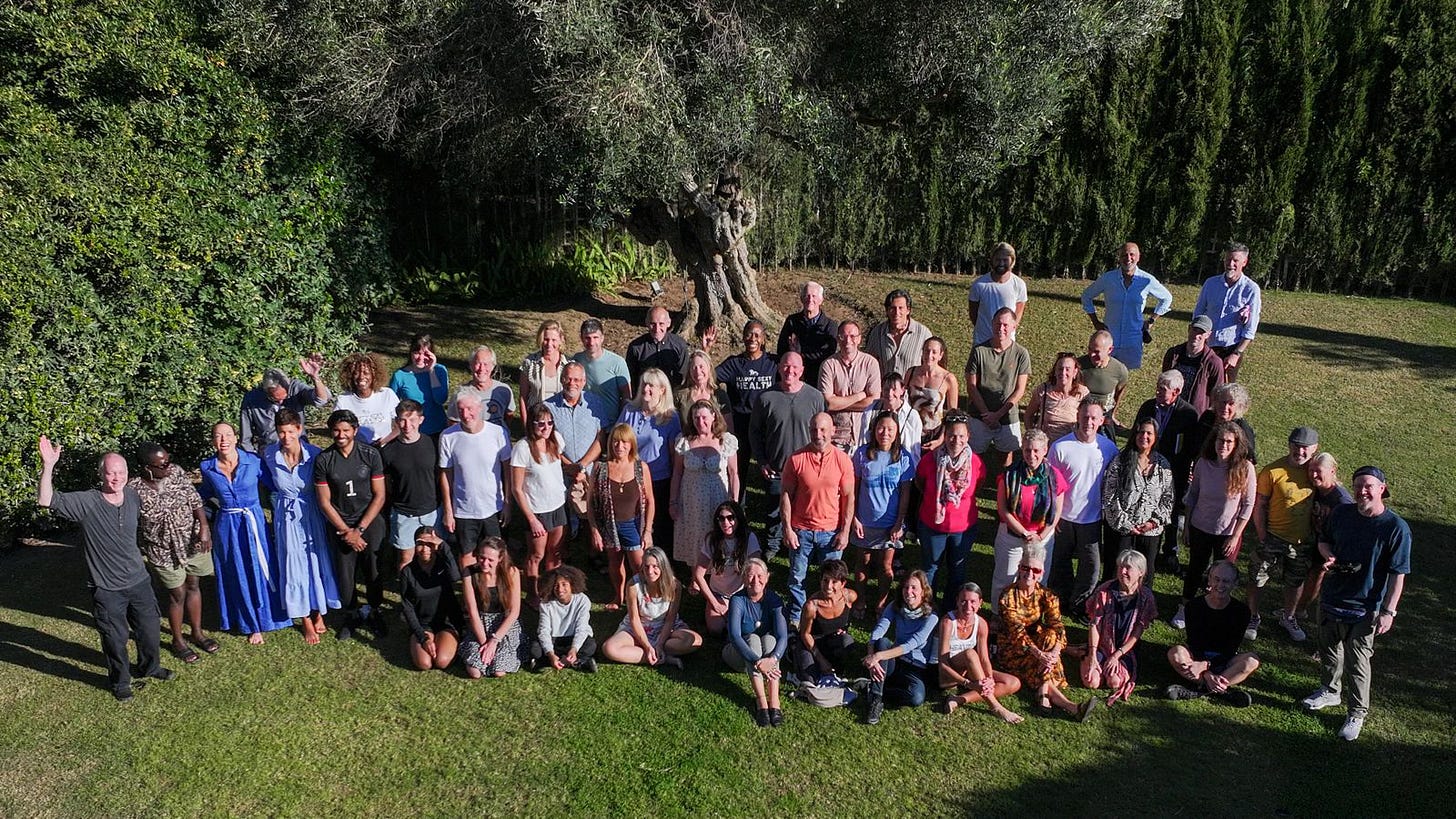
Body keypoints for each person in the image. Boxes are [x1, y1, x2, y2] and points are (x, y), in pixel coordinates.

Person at [37, 437, 172, 701]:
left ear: (127, 473)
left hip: (139, 581)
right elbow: (46, 499)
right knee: (114, 639)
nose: (116, 478)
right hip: (107, 589)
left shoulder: (132, 496)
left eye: (121, 472)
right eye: (111, 473)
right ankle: (120, 682)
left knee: (150, 630)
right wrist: (49, 465)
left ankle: (150, 667)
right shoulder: (88, 502)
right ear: (101, 474)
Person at [1300, 466, 1410, 741]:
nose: (1362, 491)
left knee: (1358, 661)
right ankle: (1330, 691)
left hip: (1365, 607)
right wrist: (1329, 556)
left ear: (1382, 489)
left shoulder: (1395, 528)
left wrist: (1388, 612)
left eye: (1368, 486)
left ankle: (1356, 713)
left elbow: (1398, 575)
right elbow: (1324, 541)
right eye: (1358, 485)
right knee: (1328, 650)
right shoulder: (1342, 514)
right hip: (1332, 597)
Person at [200, 422, 292, 644]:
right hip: (227, 526)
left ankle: (267, 616)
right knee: (236, 570)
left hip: (254, 523)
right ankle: (249, 623)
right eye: (218, 436)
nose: (223, 440)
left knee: (260, 566)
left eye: (228, 435)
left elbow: (276, 485)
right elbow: (203, 494)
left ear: (236, 438)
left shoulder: (254, 461)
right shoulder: (207, 467)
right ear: (212, 441)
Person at [128, 442, 215, 664]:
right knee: (178, 594)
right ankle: (178, 641)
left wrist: (204, 528)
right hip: (162, 550)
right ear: (147, 468)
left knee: (194, 585)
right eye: (162, 464)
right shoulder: (134, 490)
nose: (168, 466)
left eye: (168, 461)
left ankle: (197, 633)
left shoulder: (176, 472)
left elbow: (194, 500)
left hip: (191, 541)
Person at [261, 409, 339, 644]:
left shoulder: (314, 454)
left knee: (316, 559)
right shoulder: (269, 454)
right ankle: (304, 617)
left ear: (299, 429)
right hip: (286, 517)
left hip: (312, 513)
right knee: (293, 564)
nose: (286, 437)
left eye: (290, 431)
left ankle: (318, 610)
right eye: (281, 432)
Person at [998, 545, 1101, 721]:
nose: (1030, 574)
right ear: (1019, 568)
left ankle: (1043, 692)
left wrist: (1054, 652)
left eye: (1035, 570)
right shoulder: (1008, 596)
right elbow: (1017, 633)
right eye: (1026, 568)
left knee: (1051, 636)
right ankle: (1071, 706)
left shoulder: (1046, 594)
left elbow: (1058, 625)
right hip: (1013, 648)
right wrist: (1041, 655)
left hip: (1040, 645)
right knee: (1042, 659)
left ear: (1041, 573)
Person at [314, 410, 389, 641]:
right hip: (341, 525)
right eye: (336, 430)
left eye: (346, 430)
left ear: (355, 431)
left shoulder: (370, 454)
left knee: (373, 569)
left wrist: (360, 529)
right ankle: (352, 613)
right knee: (345, 574)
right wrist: (347, 532)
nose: (341, 435)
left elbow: (379, 495)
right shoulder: (324, 459)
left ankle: (375, 610)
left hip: (369, 521)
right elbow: (324, 502)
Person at [1174, 421, 1256, 631]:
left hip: (1228, 533)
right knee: (1195, 569)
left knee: (1224, 576)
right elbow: (1193, 495)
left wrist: (1236, 536)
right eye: (1221, 440)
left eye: (1229, 442)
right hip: (1200, 526)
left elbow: (1248, 505)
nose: (1224, 445)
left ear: (1236, 444)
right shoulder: (1203, 463)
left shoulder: (1245, 468)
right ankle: (1185, 607)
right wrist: (1187, 526)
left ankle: (1216, 611)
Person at [748, 352, 826, 556]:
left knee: (804, 510)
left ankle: (799, 548)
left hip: (807, 468)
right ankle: (772, 547)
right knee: (774, 511)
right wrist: (762, 461)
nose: (790, 371)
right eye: (786, 366)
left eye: (795, 367)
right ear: (779, 368)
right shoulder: (765, 398)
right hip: (776, 468)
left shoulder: (815, 397)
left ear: (802, 370)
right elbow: (754, 432)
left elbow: (823, 431)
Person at [1247, 427, 1321, 643]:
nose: (1300, 451)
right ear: (1289, 445)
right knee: (1257, 577)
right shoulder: (1272, 471)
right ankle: (1252, 616)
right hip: (1272, 535)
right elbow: (1260, 505)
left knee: (1295, 581)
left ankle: (1288, 617)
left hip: (1301, 541)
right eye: (1296, 446)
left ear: (1315, 449)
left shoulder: (1315, 472)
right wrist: (1263, 535)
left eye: (1305, 448)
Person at [781, 413, 855, 625]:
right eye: (814, 430)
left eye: (823, 430)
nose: (818, 434)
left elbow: (849, 497)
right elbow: (786, 495)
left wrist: (845, 531)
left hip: (831, 532)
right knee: (797, 578)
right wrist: (787, 529)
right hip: (801, 531)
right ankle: (797, 617)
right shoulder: (796, 459)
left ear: (833, 431)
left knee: (833, 580)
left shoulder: (842, 460)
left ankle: (829, 617)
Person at [1048, 400, 1120, 614]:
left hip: (1092, 520)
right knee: (1060, 562)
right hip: (1064, 518)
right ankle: (1061, 600)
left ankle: (1080, 604)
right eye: (1085, 416)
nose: (1089, 422)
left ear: (1102, 421)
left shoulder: (1109, 449)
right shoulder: (1060, 447)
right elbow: (1050, 485)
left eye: (1094, 418)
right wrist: (1053, 516)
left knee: (1091, 566)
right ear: (1077, 417)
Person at [1133, 370, 1201, 575]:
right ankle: (1140, 544)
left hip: (1174, 471)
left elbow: (1191, 447)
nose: (1157, 392)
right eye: (1158, 387)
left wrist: (1188, 468)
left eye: (1163, 389)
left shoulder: (1188, 414)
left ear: (1176, 392)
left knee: (1170, 510)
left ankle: (1170, 552)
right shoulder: (1148, 407)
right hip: (1146, 467)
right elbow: (1136, 433)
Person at [1166, 560, 1260, 707]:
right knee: (1175, 654)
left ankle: (1199, 689)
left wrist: (1207, 667)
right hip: (1196, 658)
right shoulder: (1193, 606)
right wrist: (1205, 671)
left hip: (1225, 661)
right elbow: (1195, 643)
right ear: (1209, 580)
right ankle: (1221, 691)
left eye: (1226, 581)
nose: (1220, 585)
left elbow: (1230, 649)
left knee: (1252, 661)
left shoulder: (1241, 612)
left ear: (1234, 584)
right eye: (1216, 579)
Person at [852, 411, 918, 616]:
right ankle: (860, 600)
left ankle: (881, 603)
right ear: (874, 430)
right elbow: (854, 489)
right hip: (865, 522)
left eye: (890, 429)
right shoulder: (861, 454)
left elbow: (905, 494)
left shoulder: (904, 458)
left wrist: (899, 522)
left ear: (897, 432)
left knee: (886, 566)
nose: (885, 433)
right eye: (881, 428)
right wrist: (854, 518)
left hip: (890, 525)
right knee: (862, 563)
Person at [993, 430, 1066, 611]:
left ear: (1045, 450)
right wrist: (1024, 533)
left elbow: (1057, 512)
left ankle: (1032, 615)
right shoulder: (1009, 475)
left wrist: (1040, 536)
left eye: (1036, 450)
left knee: (1038, 579)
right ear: (1022, 449)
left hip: (1043, 538)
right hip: (1012, 535)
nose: (1031, 455)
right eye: (1027, 450)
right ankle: (998, 614)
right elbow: (1003, 510)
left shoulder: (1055, 477)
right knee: (1005, 578)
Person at [914, 413, 981, 604]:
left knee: (957, 571)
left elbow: (978, 486)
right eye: (951, 435)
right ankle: (928, 608)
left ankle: (951, 609)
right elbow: (920, 483)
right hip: (932, 525)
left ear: (968, 436)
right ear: (945, 435)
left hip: (963, 528)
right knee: (930, 569)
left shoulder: (976, 463)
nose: (956, 441)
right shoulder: (930, 460)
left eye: (961, 436)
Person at [588, 424, 654, 610]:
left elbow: (650, 500)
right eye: (616, 441)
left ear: (631, 444)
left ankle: (645, 600)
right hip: (609, 526)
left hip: (634, 525)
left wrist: (647, 531)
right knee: (615, 564)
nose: (620, 446)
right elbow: (591, 503)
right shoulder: (600, 468)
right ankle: (619, 596)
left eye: (624, 442)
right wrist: (594, 530)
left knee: (640, 565)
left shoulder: (641, 468)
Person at [438, 393, 513, 557]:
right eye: (461, 410)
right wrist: (448, 510)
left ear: (480, 408)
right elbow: (446, 475)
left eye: (469, 409)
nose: (465, 415)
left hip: (494, 508)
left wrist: (508, 503)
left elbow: (507, 470)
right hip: (463, 510)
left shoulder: (498, 433)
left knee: (496, 556)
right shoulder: (448, 436)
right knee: (467, 556)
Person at [601, 547, 702, 667]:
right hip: (640, 626)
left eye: (655, 566)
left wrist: (660, 644)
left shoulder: (675, 585)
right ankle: (659, 656)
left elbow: (670, 619)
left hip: (666, 627)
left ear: (663, 567)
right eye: (646, 566)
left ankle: (654, 652)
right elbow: (634, 619)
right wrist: (647, 646)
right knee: (609, 648)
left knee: (695, 641)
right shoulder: (633, 585)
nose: (650, 571)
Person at [1100, 418, 1174, 580]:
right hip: (1121, 530)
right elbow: (1109, 496)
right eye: (1140, 432)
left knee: (1145, 575)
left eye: (1149, 433)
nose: (1144, 436)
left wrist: (1153, 522)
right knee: (1116, 573)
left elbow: (1168, 499)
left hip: (1150, 531)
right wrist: (1126, 524)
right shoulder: (1120, 461)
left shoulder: (1163, 465)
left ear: (1155, 437)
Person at [862, 571, 940, 724]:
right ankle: (876, 699)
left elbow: (913, 643)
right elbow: (879, 630)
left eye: (914, 588)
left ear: (923, 591)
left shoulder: (932, 616)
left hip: (916, 667)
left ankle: (873, 688)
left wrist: (878, 656)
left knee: (916, 698)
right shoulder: (895, 606)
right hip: (895, 659)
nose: (909, 592)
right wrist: (871, 655)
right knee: (883, 642)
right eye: (906, 587)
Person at [936, 583, 1022, 722]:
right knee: (970, 653)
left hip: (970, 669)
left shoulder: (981, 623)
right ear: (957, 601)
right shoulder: (948, 622)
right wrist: (969, 684)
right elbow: (942, 664)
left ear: (980, 603)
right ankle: (995, 707)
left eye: (973, 602)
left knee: (1013, 682)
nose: (968, 606)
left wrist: (989, 679)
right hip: (948, 676)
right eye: (963, 601)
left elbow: (984, 659)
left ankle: (958, 699)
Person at [1081, 550, 1159, 704]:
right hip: (1103, 646)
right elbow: (1094, 624)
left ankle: (1088, 656)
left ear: (1141, 572)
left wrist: (1116, 655)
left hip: (1126, 650)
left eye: (1128, 568)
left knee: (1114, 682)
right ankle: (1086, 656)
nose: (1122, 571)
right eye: (1120, 567)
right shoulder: (1104, 591)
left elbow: (1137, 632)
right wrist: (1093, 655)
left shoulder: (1145, 597)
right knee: (1092, 682)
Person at [1081, 241, 1174, 370]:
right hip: (1110, 337)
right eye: (1124, 255)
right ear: (1119, 258)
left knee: (1124, 375)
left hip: (1133, 339)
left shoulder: (1147, 280)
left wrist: (1152, 320)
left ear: (1138, 257)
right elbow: (1086, 296)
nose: (1128, 258)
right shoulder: (1108, 279)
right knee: (1104, 372)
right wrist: (1095, 322)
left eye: (1132, 254)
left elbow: (1167, 298)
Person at [511, 404, 569, 608]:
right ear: (532, 424)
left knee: (555, 552)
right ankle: (533, 594)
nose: (546, 427)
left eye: (550, 423)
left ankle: (551, 589)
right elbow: (517, 489)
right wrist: (532, 520)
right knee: (536, 555)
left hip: (558, 505)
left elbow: (559, 462)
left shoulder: (556, 440)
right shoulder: (522, 448)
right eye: (541, 423)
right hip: (536, 510)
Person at [670, 400, 740, 568]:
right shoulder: (683, 441)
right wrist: (673, 502)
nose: (700, 422)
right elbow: (677, 473)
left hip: (717, 498)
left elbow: (733, 473)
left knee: (717, 534)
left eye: (704, 417)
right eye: (696, 418)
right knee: (694, 537)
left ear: (714, 416)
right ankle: (696, 574)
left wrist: (734, 502)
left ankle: (717, 572)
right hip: (691, 500)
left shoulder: (726, 441)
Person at [618, 367, 682, 551]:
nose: (646, 389)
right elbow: (618, 439)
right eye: (644, 384)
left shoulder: (670, 417)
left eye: (651, 386)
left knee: (658, 528)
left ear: (662, 390)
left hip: (659, 480)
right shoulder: (629, 410)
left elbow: (674, 455)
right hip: (631, 479)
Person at [723, 558, 789, 727]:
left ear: (767, 577)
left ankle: (774, 702)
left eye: (760, 576)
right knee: (752, 639)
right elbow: (735, 636)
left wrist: (773, 659)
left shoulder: (775, 600)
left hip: (765, 655)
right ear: (744, 578)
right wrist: (758, 662)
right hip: (738, 655)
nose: (755, 580)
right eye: (750, 575)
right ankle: (761, 702)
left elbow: (783, 636)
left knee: (770, 640)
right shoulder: (737, 600)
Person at [546, 360, 608, 538]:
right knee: (562, 522)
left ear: (584, 381)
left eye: (576, 379)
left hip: (588, 472)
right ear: (561, 379)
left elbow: (600, 437)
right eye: (568, 379)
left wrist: (581, 465)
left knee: (591, 519)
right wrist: (569, 466)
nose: (572, 383)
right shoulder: (548, 407)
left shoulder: (595, 403)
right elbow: (548, 442)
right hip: (561, 472)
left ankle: (590, 548)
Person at [965, 308, 1031, 471]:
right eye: (997, 324)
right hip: (979, 414)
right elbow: (971, 386)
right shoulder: (979, 351)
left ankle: (1004, 480)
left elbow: (1019, 390)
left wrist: (998, 415)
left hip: (1007, 415)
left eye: (1005, 325)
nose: (1001, 328)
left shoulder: (1021, 354)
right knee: (973, 456)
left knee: (1007, 455)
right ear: (992, 324)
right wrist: (986, 414)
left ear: (1014, 326)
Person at [380, 400, 440, 570]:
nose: (407, 425)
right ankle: (406, 586)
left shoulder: (433, 444)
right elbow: (386, 484)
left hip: (431, 510)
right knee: (406, 557)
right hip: (403, 513)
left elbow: (440, 476)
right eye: (402, 420)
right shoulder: (388, 451)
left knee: (432, 554)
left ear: (421, 420)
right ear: (396, 421)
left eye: (412, 420)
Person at [459, 536, 528, 678]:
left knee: (499, 671)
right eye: (482, 558)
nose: (485, 563)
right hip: (480, 624)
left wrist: (494, 641)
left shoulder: (512, 572)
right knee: (475, 672)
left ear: (500, 558)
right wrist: (485, 644)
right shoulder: (469, 573)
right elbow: (472, 612)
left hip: (505, 623)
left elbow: (514, 611)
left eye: (490, 560)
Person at [1193, 242, 1262, 381]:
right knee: (1201, 386)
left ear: (1244, 262)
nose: (1230, 264)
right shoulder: (1210, 284)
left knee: (1225, 390)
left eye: (1235, 260)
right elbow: (1198, 314)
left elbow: (1250, 328)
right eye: (1228, 259)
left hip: (1231, 350)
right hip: (1206, 347)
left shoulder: (1251, 289)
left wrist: (1236, 354)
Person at [693, 501, 762, 636]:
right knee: (716, 629)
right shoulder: (712, 540)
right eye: (721, 518)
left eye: (731, 518)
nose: (726, 522)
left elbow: (758, 569)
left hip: (742, 594)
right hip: (718, 593)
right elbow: (699, 575)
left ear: (738, 519)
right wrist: (715, 603)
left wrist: (752, 596)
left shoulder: (749, 538)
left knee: (746, 627)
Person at [399, 527, 462, 672]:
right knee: (424, 664)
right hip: (423, 625)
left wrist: (443, 546)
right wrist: (422, 637)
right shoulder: (407, 571)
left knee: (442, 661)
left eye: (430, 544)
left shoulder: (443, 564)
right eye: (420, 544)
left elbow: (455, 577)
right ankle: (424, 639)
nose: (425, 549)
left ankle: (449, 638)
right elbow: (407, 607)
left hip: (445, 622)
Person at [1298, 452, 1352, 620]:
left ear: (1332, 471)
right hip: (1313, 538)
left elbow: (1348, 531)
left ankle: (1299, 610)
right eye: (1311, 470)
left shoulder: (1341, 501)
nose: (1313, 475)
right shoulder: (1315, 490)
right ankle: (1293, 607)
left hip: (1329, 544)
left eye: (1318, 471)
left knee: (1316, 574)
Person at [238, 356, 330, 453]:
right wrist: (252, 457)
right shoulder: (252, 399)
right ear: (265, 392)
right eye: (275, 399)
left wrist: (315, 377)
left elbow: (321, 400)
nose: (281, 402)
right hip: (268, 451)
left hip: (298, 448)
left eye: (284, 398)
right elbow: (245, 438)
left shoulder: (295, 388)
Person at [789, 559, 858, 684]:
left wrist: (844, 628)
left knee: (847, 641)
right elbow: (805, 634)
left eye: (834, 582)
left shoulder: (850, 597)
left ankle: (836, 666)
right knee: (811, 680)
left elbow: (849, 615)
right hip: (811, 645)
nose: (828, 586)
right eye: (825, 580)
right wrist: (821, 660)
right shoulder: (811, 606)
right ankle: (793, 652)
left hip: (832, 642)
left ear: (843, 583)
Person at [818, 319, 881, 452]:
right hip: (836, 437)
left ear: (859, 339)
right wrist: (860, 396)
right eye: (843, 336)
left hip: (864, 435)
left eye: (852, 336)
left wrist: (839, 403)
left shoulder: (870, 363)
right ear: (838, 338)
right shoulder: (828, 365)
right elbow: (828, 403)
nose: (848, 340)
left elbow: (874, 401)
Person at [714, 318, 777, 436]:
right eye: (749, 334)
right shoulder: (734, 364)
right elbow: (709, 377)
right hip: (740, 422)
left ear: (763, 339)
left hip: (766, 422)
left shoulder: (772, 362)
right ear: (743, 337)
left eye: (757, 335)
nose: (753, 339)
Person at [531, 565, 597, 673]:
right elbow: (544, 631)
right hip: (554, 639)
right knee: (535, 648)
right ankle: (573, 662)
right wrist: (551, 654)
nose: (560, 589)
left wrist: (574, 649)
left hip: (573, 638)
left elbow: (582, 628)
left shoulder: (582, 600)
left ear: (572, 585)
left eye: (564, 584)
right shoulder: (546, 603)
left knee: (590, 645)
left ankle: (570, 660)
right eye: (556, 585)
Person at [1161, 315, 1226, 415]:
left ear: (1208, 335)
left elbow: (1217, 394)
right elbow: (1163, 382)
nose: (1196, 335)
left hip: (1194, 415)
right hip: (1169, 410)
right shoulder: (1173, 354)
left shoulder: (1214, 363)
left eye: (1201, 332)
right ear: (1189, 328)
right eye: (1195, 330)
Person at [776, 281, 838, 384]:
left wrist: (799, 353)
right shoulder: (792, 321)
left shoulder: (830, 325)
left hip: (819, 377)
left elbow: (827, 355)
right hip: (793, 377)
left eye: (814, 296)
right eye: (807, 296)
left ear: (821, 300)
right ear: (801, 298)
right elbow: (782, 349)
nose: (810, 299)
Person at [967, 241, 1028, 346]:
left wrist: (1006, 331)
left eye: (1005, 260)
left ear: (1012, 261)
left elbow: (1018, 313)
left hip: (1007, 344)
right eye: (998, 260)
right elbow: (973, 314)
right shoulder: (979, 285)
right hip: (982, 342)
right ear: (991, 261)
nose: (1001, 263)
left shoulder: (1019, 285)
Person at [865, 288, 932, 383]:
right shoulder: (877, 333)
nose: (896, 313)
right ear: (887, 310)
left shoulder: (923, 334)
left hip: (912, 390)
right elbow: (868, 364)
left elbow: (931, 366)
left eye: (901, 308)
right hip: (885, 390)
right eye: (892, 308)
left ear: (908, 310)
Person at [389, 334, 450, 436]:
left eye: (425, 354)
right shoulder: (400, 376)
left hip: (438, 429)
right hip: (411, 431)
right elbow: (391, 406)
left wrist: (431, 371)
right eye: (416, 353)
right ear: (411, 353)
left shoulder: (440, 370)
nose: (420, 358)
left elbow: (440, 399)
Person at [574, 317, 633, 420]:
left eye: (595, 337)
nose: (591, 342)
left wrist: (622, 421)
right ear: (581, 338)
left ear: (602, 338)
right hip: (584, 421)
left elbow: (626, 396)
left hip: (611, 423)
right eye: (587, 338)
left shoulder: (617, 362)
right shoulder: (577, 360)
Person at [335, 352, 400, 445]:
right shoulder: (343, 400)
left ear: (374, 375)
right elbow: (338, 431)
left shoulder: (387, 394)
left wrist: (383, 441)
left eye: (366, 373)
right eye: (356, 373)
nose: (361, 377)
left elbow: (400, 425)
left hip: (386, 447)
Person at [905, 336, 957, 450]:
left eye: (934, 352)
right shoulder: (911, 372)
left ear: (940, 355)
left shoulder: (948, 379)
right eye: (927, 351)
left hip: (934, 433)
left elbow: (952, 415)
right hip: (910, 431)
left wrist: (941, 440)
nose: (929, 355)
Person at [1025, 352, 1089, 443]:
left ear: (1075, 372)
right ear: (1055, 371)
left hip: (1070, 443)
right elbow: (1028, 415)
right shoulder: (1043, 390)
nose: (1063, 373)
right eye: (1060, 369)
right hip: (1046, 445)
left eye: (1067, 369)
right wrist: (1033, 438)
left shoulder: (1082, 393)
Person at [449, 345, 513, 433]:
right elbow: (453, 423)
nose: (482, 369)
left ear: (493, 366)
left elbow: (509, 415)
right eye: (477, 364)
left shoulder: (504, 390)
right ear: (471, 366)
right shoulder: (461, 394)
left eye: (486, 364)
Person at [1076, 331, 1130, 433]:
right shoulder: (1078, 365)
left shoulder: (1120, 370)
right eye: (1090, 349)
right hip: (1080, 414)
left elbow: (1119, 392)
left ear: (1110, 350)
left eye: (1097, 352)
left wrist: (1112, 414)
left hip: (1104, 416)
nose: (1092, 354)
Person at [859, 372, 923, 456]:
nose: (889, 394)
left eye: (894, 389)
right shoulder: (870, 412)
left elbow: (915, 451)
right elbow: (863, 441)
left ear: (902, 390)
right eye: (886, 389)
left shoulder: (912, 416)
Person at [627, 305, 691, 388]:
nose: (657, 329)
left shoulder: (679, 345)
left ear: (668, 323)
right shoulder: (636, 347)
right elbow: (631, 378)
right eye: (653, 324)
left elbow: (684, 377)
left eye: (661, 324)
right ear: (647, 323)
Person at [1194, 383, 1258, 465]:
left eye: (1231, 404)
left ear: (1239, 406)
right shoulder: (1208, 417)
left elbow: (1249, 457)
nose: (1225, 407)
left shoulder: (1242, 427)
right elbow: (1195, 442)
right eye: (1223, 402)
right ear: (1216, 401)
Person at [519, 319, 566, 417]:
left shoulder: (568, 366)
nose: (549, 344)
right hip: (535, 420)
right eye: (546, 339)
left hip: (560, 420)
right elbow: (523, 398)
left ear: (560, 340)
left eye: (553, 340)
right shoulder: (529, 363)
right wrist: (526, 424)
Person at [675, 349, 724, 421]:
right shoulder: (680, 395)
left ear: (709, 368)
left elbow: (728, 425)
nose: (698, 372)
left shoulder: (719, 395)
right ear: (689, 371)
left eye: (701, 367)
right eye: (694, 368)